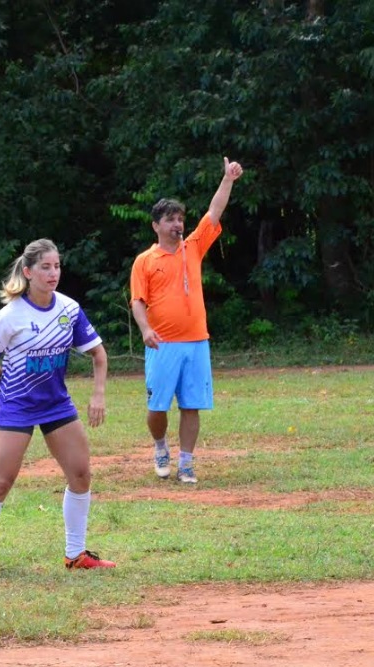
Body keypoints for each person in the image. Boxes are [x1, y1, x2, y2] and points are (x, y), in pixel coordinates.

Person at [0, 239, 113, 575]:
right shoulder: (10, 316)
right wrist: (10, 387)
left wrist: (98, 395)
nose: (53, 273)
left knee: (81, 474)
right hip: (17, 407)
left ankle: (76, 554)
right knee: (1, 480)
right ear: (28, 272)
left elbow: (98, 354)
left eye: (57, 266)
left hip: (57, 405)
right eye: (45, 267)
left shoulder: (68, 310)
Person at [130, 157, 245, 484]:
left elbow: (214, 212)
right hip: (162, 344)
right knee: (157, 408)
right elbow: (138, 302)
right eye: (170, 219)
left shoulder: (192, 247)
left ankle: (186, 463)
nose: (177, 224)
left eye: (180, 219)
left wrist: (227, 180)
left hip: (196, 341)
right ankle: (160, 446)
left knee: (192, 405)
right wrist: (145, 329)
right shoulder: (144, 261)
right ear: (156, 225)